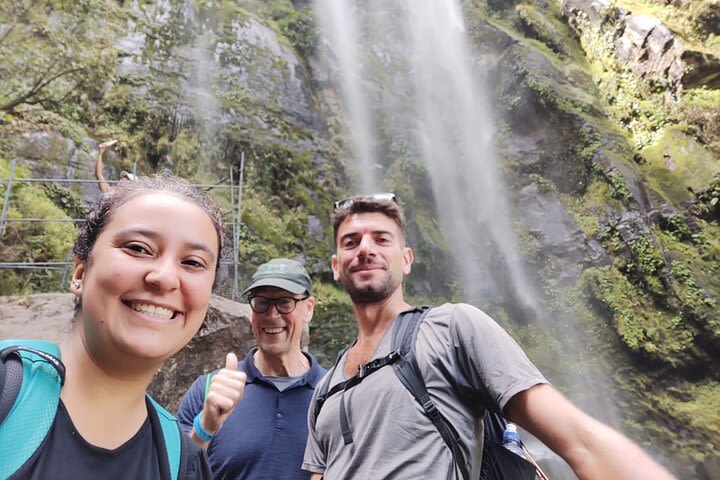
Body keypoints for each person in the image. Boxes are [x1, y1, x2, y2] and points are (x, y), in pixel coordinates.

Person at [302, 193, 677, 480]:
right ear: (336, 266)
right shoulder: (326, 387)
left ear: (407, 259)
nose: (365, 249)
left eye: (381, 239)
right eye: (351, 242)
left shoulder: (451, 329)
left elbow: (579, 440)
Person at [1, 173, 228, 479]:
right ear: (80, 272)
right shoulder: (7, 390)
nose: (165, 277)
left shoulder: (184, 465)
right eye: (138, 248)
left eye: (192, 263)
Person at [177, 258, 326, 480]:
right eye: (261, 302)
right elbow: (172, 472)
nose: (272, 314)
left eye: (285, 302)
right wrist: (204, 429)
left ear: (309, 309)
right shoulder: (208, 391)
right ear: (251, 311)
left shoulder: (332, 394)